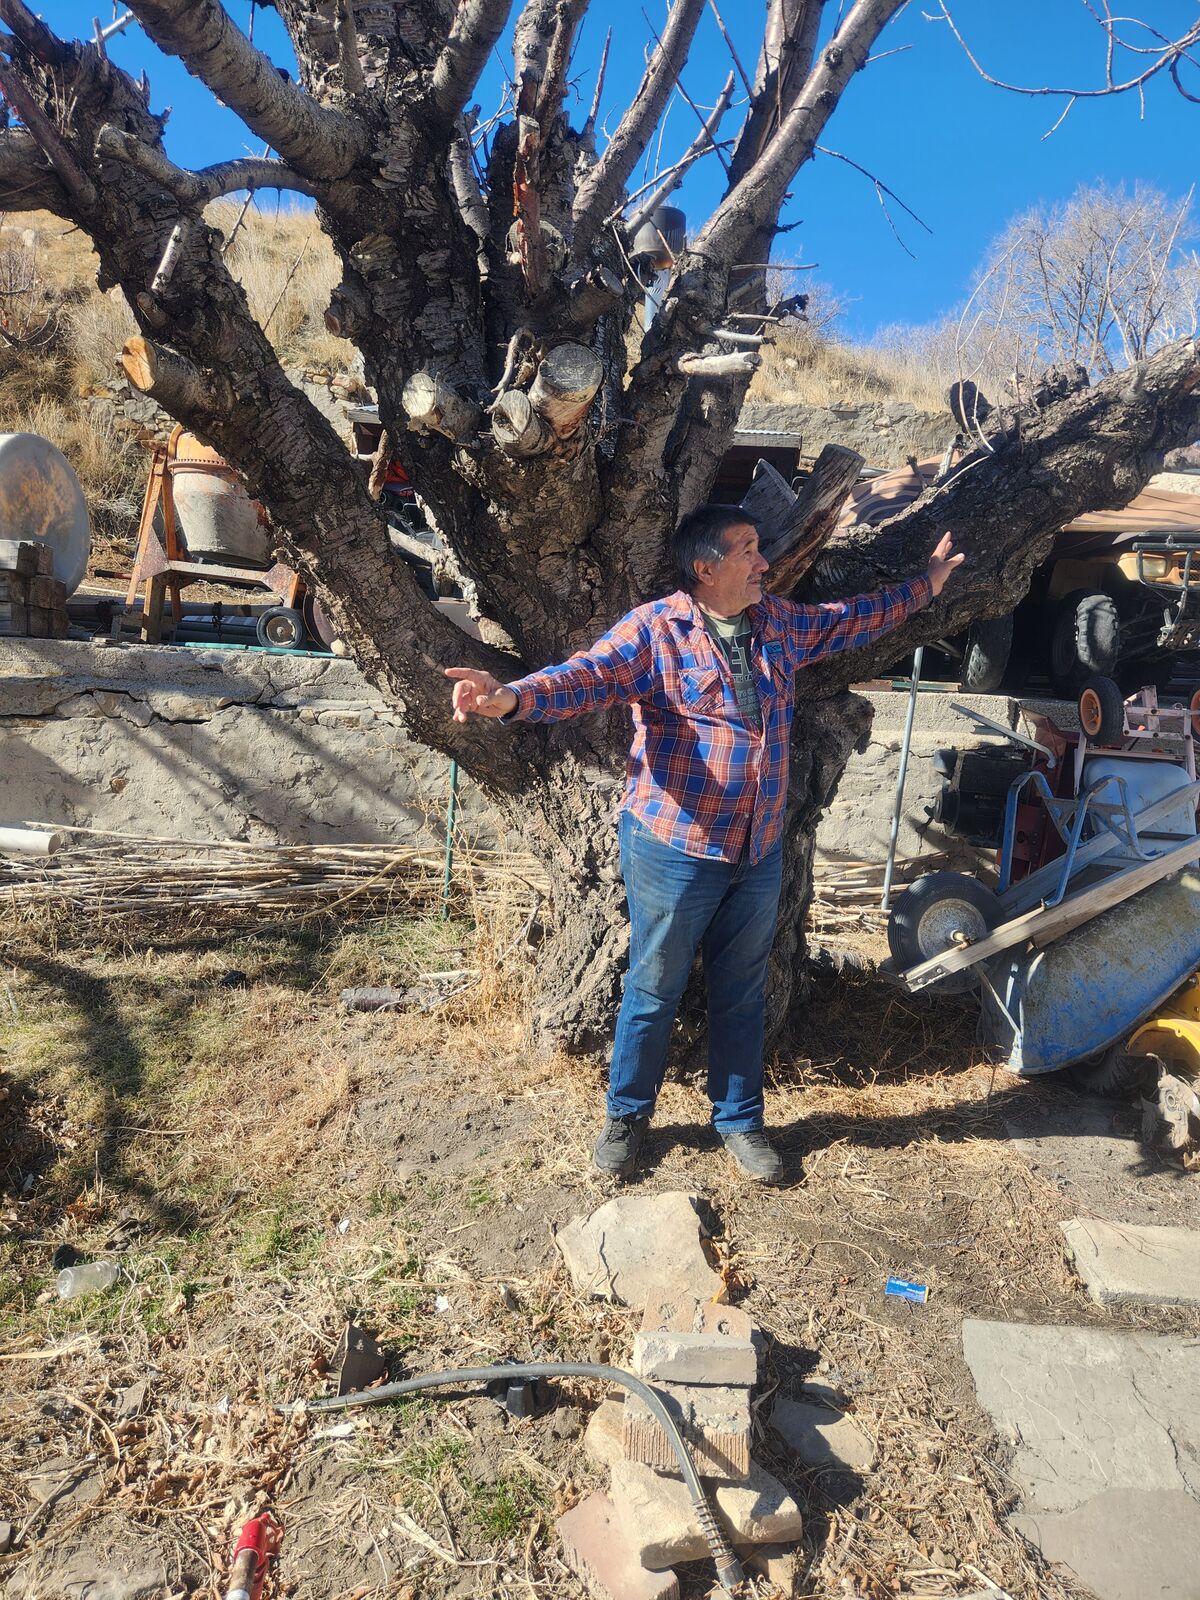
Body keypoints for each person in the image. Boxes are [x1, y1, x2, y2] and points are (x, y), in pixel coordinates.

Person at [447, 506, 963, 1183]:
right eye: (747, 551)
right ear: (706, 568)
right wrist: (508, 699)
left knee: (743, 989)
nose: (764, 564)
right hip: (674, 846)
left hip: (756, 849)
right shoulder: (657, 631)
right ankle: (626, 1119)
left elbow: (849, 617)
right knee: (654, 987)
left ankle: (740, 1120)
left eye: (758, 549)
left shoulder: (776, 623)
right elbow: (585, 677)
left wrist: (925, 587)